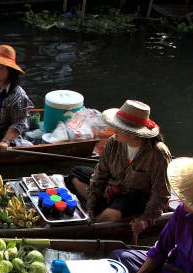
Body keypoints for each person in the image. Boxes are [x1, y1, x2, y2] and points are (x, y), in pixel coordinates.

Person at [69, 99, 171, 237]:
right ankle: (101, 210)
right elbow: (100, 174)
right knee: (76, 174)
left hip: (136, 197)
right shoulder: (113, 142)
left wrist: (145, 220)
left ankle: (101, 221)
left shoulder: (158, 153)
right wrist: (91, 206)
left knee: (112, 214)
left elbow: (161, 192)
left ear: (131, 133)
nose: (114, 130)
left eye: (118, 128)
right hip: (114, 187)